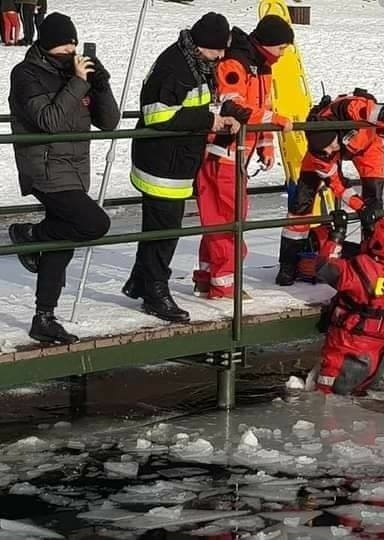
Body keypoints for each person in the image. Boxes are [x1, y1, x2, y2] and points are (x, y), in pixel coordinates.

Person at [8, 12, 119, 344]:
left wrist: (100, 84)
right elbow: (49, 120)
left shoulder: (74, 75)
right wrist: (79, 82)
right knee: (94, 223)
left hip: (74, 169)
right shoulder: (26, 74)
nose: (71, 49)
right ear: (46, 45)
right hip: (43, 168)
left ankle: (44, 317)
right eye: (64, 44)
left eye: (74, 43)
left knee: (62, 243)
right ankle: (28, 234)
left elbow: (109, 122)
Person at [122, 13, 240, 323]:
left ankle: (141, 281)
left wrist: (221, 113)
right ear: (202, 45)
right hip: (163, 164)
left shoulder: (194, 63)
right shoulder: (175, 68)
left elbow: (195, 104)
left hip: (176, 160)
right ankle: (155, 292)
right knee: (165, 232)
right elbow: (158, 118)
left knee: (159, 229)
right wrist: (208, 121)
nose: (221, 57)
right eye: (217, 50)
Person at [275, 88, 384, 286]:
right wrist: (360, 207)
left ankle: (373, 259)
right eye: (325, 150)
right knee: (300, 206)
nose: (329, 151)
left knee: (374, 201)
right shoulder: (320, 153)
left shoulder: (358, 110)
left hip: (368, 144)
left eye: (331, 146)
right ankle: (288, 264)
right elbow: (338, 184)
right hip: (335, 151)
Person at [192, 15, 294, 300]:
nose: (284, 54)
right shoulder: (236, 63)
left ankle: (207, 277)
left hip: (237, 154)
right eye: (282, 48)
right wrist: (276, 121)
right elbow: (233, 106)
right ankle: (224, 286)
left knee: (219, 220)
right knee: (230, 220)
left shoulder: (262, 67)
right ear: (269, 44)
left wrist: (266, 144)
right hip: (222, 152)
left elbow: (262, 106)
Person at [309, 210, 384, 395]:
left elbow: (324, 267)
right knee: (360, 391)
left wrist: (337, 235)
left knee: (328, 394)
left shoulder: (362, 271)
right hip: (382, 346)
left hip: (351, 344)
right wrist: (369, 228)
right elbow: (376, 253)